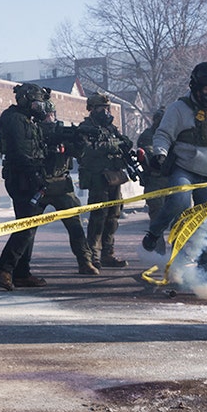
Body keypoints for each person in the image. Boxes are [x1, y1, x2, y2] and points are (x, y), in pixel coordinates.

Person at [143, 62, 207, 253]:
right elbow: (163, 134)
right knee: (179, 200)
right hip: (185, 168)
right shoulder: (179, 108)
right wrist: (160, 153)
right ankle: (154, 233)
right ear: (197, 88)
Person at [0, 83, 50, 291]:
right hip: (22, 177)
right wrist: (35, 176)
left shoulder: (26, 120)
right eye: (36, 103)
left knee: (29, 226)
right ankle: (3, 268)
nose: (39, 107)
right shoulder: (14, 119)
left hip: (28, 176)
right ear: (26, 100)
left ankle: (22, 273)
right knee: (25, 226)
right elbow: (22, 152)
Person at [38, 101, 101, 275]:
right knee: (27, 229)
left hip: (61, 185)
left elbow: (78, 153)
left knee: (75, 226)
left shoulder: (62, 132)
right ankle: (19, 267)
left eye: (51, 115)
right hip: (39, 185)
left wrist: (78, 142)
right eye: (46, 116)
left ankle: (85, 261)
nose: (49, 119)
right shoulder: (34, 132)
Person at [77, 92, 134, 269]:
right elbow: (88, 150)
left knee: (113, 215)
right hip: (97, 177)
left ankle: (108, 253)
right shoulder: (85, 128)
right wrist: (113, 144)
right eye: (102, 108)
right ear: (92, 109)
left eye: (107, 108)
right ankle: (93, 255)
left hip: (114, 176)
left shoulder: (111, 128)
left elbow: (121, 143)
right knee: (98, 217)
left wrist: (125, 142)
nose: (106, 111)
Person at [135, 107, 168, 222]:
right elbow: (150, 154)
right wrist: (161, 156)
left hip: (171, 178)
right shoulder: (147, 135)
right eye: (159, 120)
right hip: (155, 179)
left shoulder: (171, 134)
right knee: (157, 216)